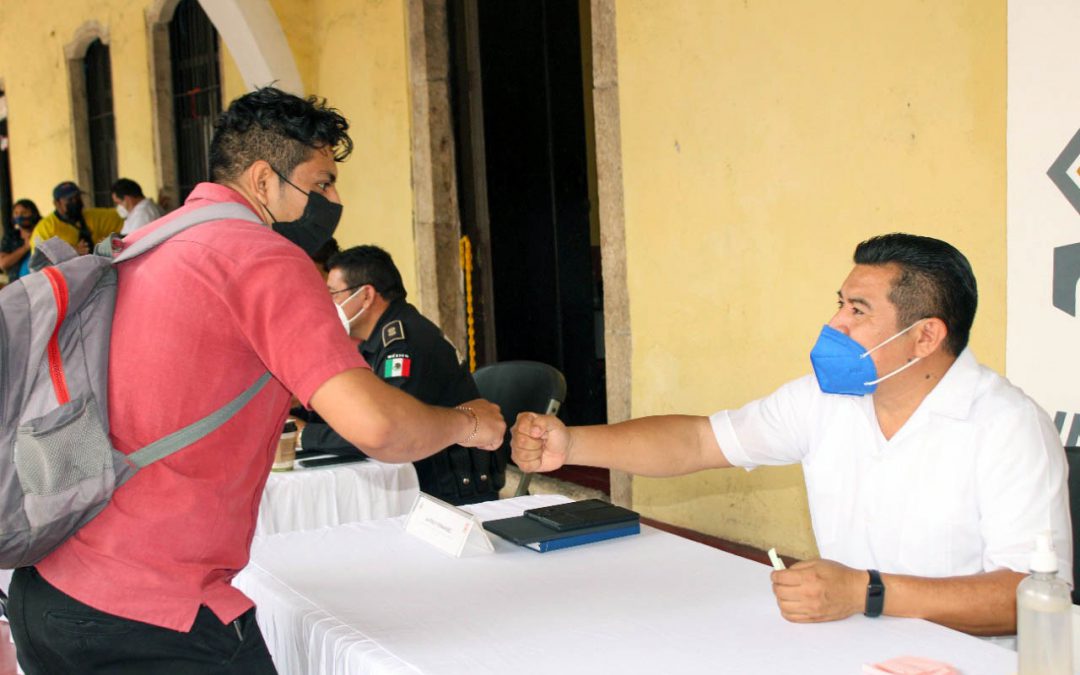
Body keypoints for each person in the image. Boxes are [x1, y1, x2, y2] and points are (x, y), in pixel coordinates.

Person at [6, 87, 505, 674]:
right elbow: (379, 428)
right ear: (265, 181)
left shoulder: (148, 241)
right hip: (151, 617)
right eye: (321, 183)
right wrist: (468, 423)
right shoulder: (262, 258)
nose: (334, 199)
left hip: (49, 588)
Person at [511, 233, 1070, 637]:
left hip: (972, 659)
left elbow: (1030, 598)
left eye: (857, 310)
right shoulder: (826, 398)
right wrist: (574, 445)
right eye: (839, 303)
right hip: (855, 641)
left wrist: (867, 592)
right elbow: (700, 442)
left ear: (925, 337)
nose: (835, 324)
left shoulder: (1007, 427)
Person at [296, 245, 504, 505]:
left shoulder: (404, 342)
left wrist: (304, 435)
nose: (327, 304)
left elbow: (385, 430)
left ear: (366, 295)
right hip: (419, 477)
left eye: (333, 294)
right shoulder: (379, 340)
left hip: (448, 491)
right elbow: (358, 411)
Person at [28, 181, 122, 254]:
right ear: (57, 203)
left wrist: (115, 240)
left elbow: (127, 218)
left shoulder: (94, 216)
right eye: (70, 199)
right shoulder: (45, 228)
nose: (75, 202)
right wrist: (71, 252)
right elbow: (39, 261)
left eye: (77, 197)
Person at [0, 199, 39, 281]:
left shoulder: (42, 232)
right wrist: (25, 247)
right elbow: (3, 264)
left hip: (39, 283)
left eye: (24, 213)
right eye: (16, 213)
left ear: (34, 214)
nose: (20, 216)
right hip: (16, 284)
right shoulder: (10, 236)